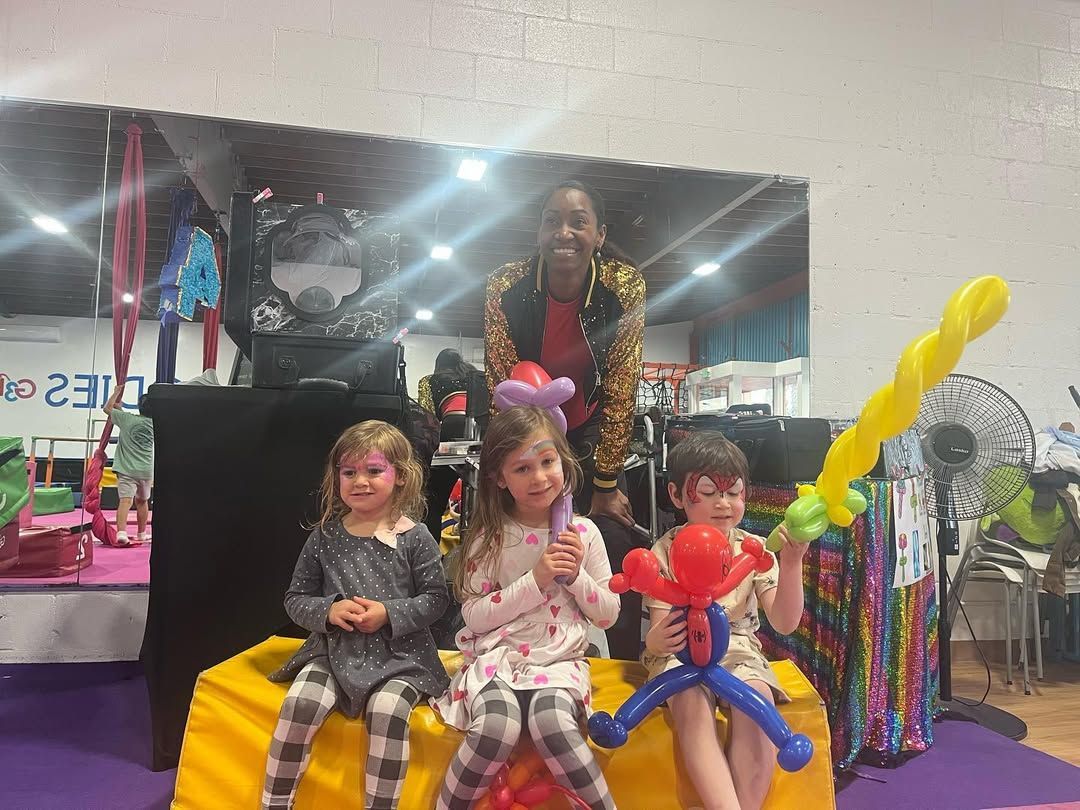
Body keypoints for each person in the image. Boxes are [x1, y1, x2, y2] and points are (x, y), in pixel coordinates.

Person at [484, 179, 646, 659]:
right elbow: (502, 382)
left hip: (592, 425)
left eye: (579, 222)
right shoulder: (505, 285)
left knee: (610, 531)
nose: (564, 232)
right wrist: (525, 462)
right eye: (552, 220)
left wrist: (606, 479)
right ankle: (509, 641)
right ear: (538, 231)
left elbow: (621, 386)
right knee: (511, 522)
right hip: (524, 420)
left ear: (599, 234)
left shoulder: (623, 286)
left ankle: (618, 660)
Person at [432, 406, 620, 810]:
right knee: (496, 728)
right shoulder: (491, 538)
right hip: (498, 659)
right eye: (521, 469)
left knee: (552, 724)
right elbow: (474, 616)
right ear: (499, 478)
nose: (539, 477)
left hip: (559, 662)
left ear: (563, 462)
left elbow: (608, 614)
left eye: (547, 461)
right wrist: (535, 581)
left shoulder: (584, 533)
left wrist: (575, 578)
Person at [262, 421, 450, 810]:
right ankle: (273, 803)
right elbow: (295, 598)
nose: (360, 481)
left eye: (374, 471)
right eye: (349, 472)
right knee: (300, 703)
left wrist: (389, 613)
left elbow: (437, 600)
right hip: (332, 652)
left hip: (401, 658)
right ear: (337, 478)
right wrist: (327, 610)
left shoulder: (415, 537)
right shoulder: (325, 536)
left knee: (387, 711)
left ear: (400, 476)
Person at [641, 432, 806, 810]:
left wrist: (793, 562)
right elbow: (656, 632)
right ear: (677, 495)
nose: (723, 503)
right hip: (681, 655)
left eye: (733, 492)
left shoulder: (754, 550)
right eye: (709, 491)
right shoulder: (664, 550)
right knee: (690, 704)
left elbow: (784, 622)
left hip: (739, 651)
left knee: (756, 701)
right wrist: (657, 641)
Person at [101, 387, 154, 546]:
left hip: (127, 469)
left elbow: (107, 409)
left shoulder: (127, 419)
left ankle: (122, 533)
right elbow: (132, 421)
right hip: (145, 469)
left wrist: (117, 392)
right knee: (143, 501)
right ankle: (142, 533)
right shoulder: (155, 423)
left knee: (125, 501)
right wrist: (121, 410)